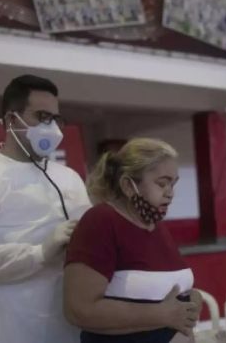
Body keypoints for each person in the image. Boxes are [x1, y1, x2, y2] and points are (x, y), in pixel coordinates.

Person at [0, 74, 92, 343]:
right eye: (42, 116)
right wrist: (39, 253)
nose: (52, 127)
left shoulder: (69, 178)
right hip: (1, 329)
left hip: (65, 328)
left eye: (56, 119)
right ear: (12, 121)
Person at [64, 138, 202, 343]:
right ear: (129, 186)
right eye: (162, 183)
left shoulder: (156, 227)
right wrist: (162, 315)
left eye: (173, 184)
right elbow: (80, 309)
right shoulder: (101, 221)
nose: (170, 193)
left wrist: (193, 299)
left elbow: (163, 287)